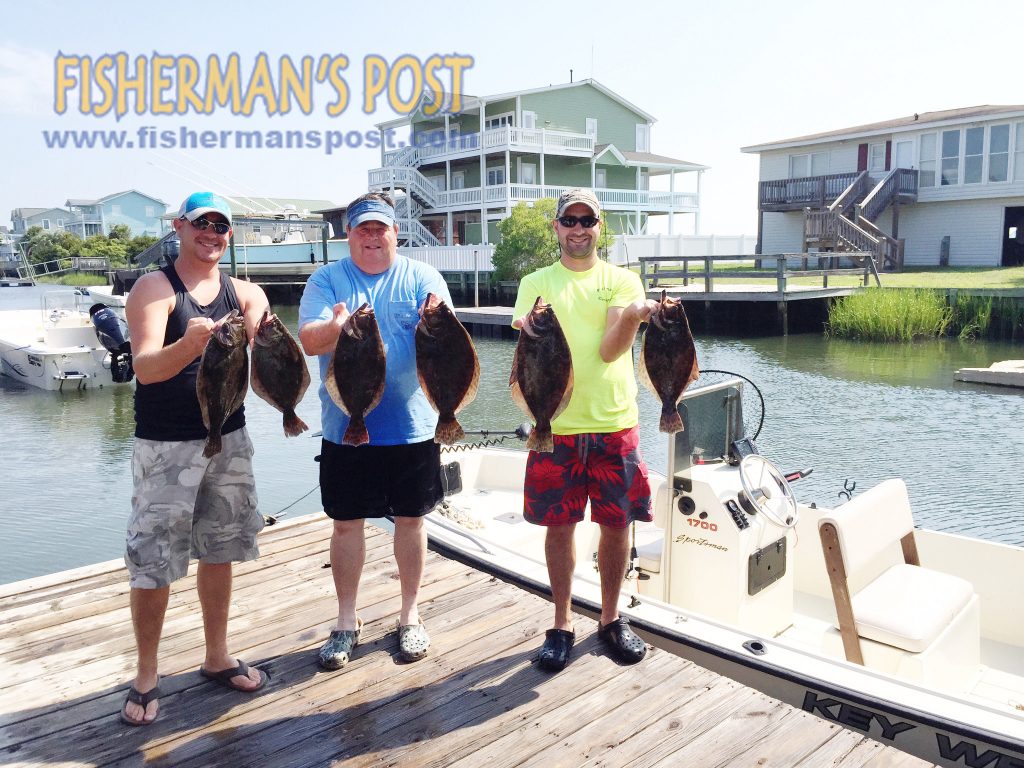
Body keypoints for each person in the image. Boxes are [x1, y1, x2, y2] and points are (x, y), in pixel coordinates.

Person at [120, 192, 269, 725]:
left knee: (221, 548)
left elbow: (265, 335)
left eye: (221, 225)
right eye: (202, 223)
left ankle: (216, 655)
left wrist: (265, 329)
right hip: (165, 446)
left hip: (229, 437)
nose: (212, 233)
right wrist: (189, 344)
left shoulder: (246, 291)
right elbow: (146, 368)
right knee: (154, 561)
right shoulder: (155, 288)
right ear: (180, 226)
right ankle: (145, 673)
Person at [298, 192, 451, 670]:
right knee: (346, 524)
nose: (371, 237)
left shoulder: (422, 277)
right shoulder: (327, 280)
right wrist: (337, 327)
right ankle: (346, 622)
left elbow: (447, 342)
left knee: (411, 520)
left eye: (379, 228)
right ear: (349, 234)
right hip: (347, 425)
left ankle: (410, 615)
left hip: (413, 427)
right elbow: (308, 339)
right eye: (362, 229)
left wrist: (436, 319)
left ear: (395, 232)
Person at [512, 188, 656, 672]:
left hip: (615, 424)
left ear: (600, 227)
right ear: (556, 227)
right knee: (560, 528)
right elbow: (526, 359)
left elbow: (612, 350)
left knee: (616, 526)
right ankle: (562, 622)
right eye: (569, 220)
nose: (578, 229)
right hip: (555, 427)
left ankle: (611, 619)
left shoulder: (623, 280)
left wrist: (634, 319)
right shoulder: (535, 282)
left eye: (586, 220)